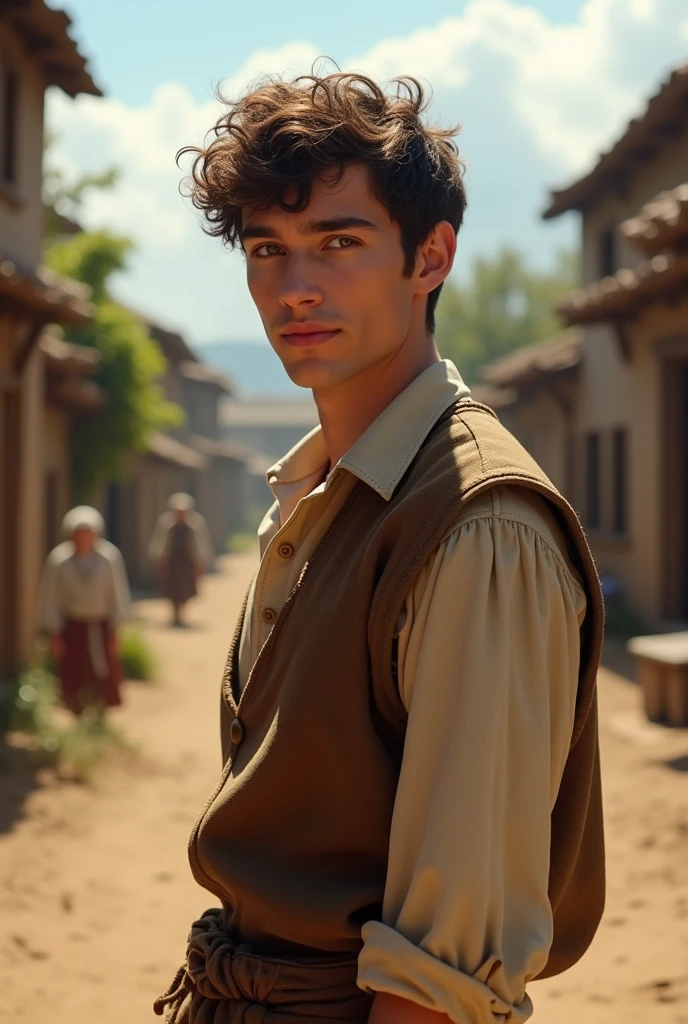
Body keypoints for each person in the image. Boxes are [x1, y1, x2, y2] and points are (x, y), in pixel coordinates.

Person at [156, 72, 605, 1024]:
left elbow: (443, 975)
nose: (295, 287)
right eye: (266, 249)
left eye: (340, 242)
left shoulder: (480, 527)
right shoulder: (327, 488)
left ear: (430, 258)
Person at [37, 506, 131, 717]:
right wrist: (55, 635)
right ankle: (76, 714)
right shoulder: (59, 560)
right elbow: (51, 598)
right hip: (72, 629)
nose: (84, 538)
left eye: (88, 533)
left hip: (100, 627)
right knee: (73, 676)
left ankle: (98, 718)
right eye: (79, 533)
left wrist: (116, 631)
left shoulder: (108, 558)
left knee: (103, 675)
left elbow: (117, 594)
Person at [148, 493, 213, 627]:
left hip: (187, 564)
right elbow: (160, 543)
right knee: (172, 590)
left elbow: (200, 545)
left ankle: (181, 612)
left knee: (186, 590)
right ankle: (175, 613)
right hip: (172, 563)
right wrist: (159, 561)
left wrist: (200, 563)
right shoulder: (167, 523)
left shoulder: (195, 524)